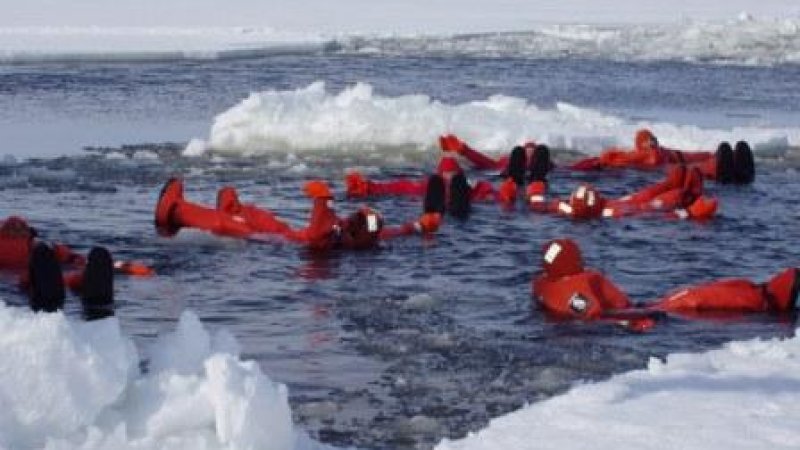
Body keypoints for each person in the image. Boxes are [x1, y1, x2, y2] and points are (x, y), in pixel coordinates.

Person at [532, 238, 799, 328]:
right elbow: (596, 316)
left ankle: (765, 292)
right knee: (693, 297)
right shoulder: (573, 290)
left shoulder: (548, 286)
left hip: (641, 309)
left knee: (693, 295)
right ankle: (767, 297)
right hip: (643, 313)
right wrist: (639, 320)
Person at [155, 178, 440, 250]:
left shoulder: (335, 240)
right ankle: (234, 208)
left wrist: (323, 201)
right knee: (261, 217)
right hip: (288, 235)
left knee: (233, 227)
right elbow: (392, 232)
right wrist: (418, 226)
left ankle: (175, 211)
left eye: (354, 221)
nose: (350, 218)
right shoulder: (368, 237)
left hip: (284, 244)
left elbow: (317, 232)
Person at [0, 216, 116, 320]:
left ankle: (94, 300)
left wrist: (76, 261)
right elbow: (71, 257)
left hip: (26, 281)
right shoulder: (38, 246)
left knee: (44, 274)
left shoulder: (37, 246)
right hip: (31, 280)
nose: (16, 231)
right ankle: (98, 304)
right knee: (45, 275)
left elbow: (71, 258)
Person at [524, 166, 718, 221]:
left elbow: (540, 206)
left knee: (646, 193)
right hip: (632, 207)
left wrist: (535, 189)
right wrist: (689, 214)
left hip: (622, 202)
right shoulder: (611, 214)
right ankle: (689, 193)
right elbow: (652, 215)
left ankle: (674, 183)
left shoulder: (565, 207)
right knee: (659, 200)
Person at [568, 129, 755, 184]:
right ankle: (720, 169)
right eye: (648, 141)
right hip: (664, 172)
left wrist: (714, 154)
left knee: (691, 169)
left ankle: (728, 167)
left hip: (667, 170)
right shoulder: (628, 156)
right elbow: (602, 162)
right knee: (690, 172)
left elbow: (687, 156)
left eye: (653, 140)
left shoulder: (663, 152)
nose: (652, 144)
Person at [439, 134, 553, 185]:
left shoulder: (545, 164)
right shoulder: (509, 161)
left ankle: (461, 149)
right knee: (488, 167)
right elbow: (487, 163)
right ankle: (460, 149)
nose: (529, 153)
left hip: (515, 178)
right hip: (508, 175)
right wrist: (465, 150)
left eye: (532, 151)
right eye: (527, 150)